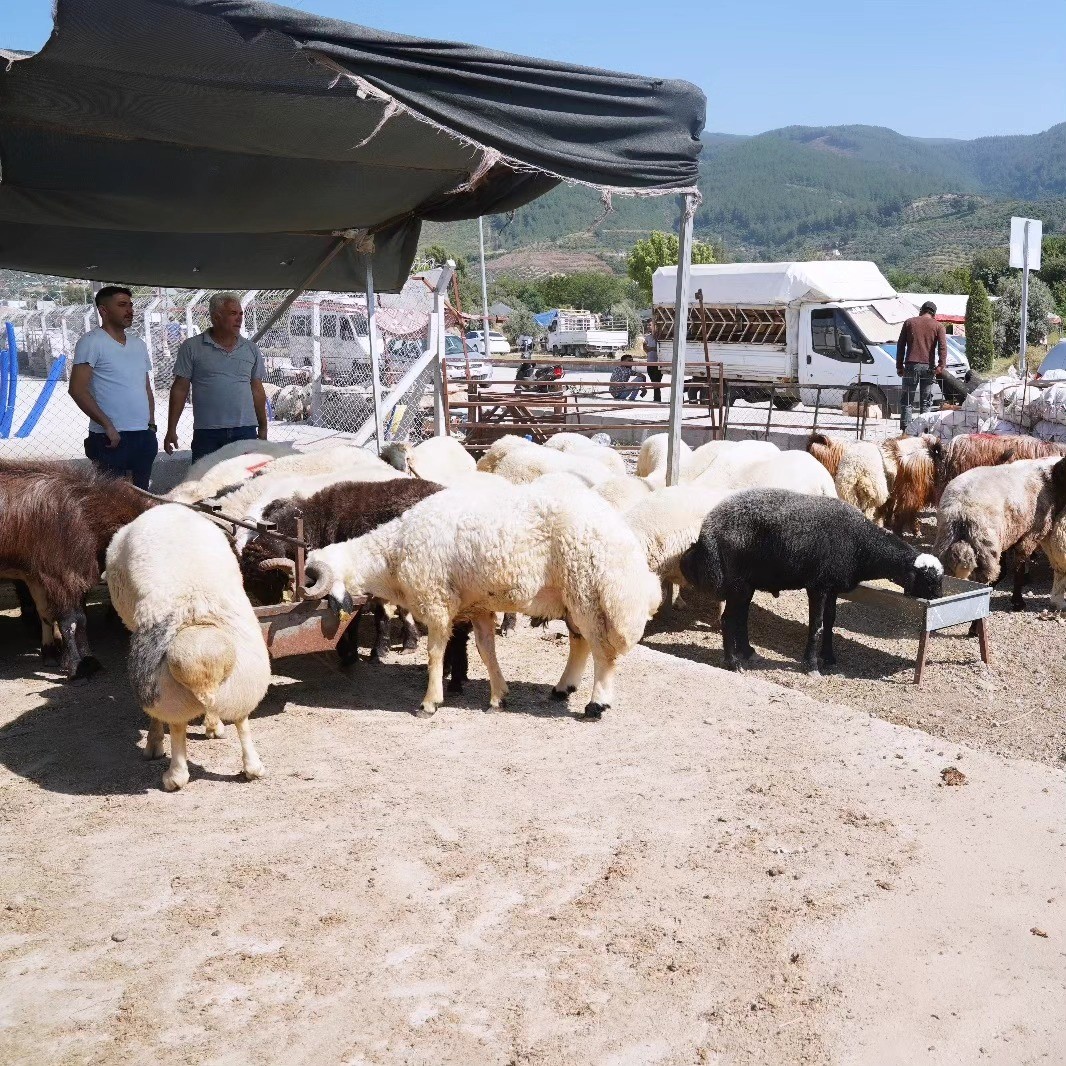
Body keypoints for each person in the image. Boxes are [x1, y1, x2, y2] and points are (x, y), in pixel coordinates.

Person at [69, 286, 158, 490]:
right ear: (103, 311)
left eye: (130, 305)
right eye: (122, 305)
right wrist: (107, 426)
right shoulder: (91, 342)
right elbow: (77, 389)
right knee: (111, 502)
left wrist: (151, 426)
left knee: (142, 496)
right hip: (110, 438)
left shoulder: (138, 344)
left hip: (143, 435)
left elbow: (145, 387)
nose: (129, 310)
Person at [164, 292, 269, 462]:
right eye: (233, 314)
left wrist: (263, 426)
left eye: (241, 314)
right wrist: (171, 429)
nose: (239, 319)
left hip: (245, 430)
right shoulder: (191, 347)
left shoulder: (251, 349)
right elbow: (180, 389)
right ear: (216, 317)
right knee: (203, 483)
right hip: (207, 433)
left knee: (244, 484)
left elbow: (257, 389)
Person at [896, 300, 947, 430]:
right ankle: (924, 430)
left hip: (911, 365)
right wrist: (941, 366)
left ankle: (906, 431)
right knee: (926, 401)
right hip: (929, 367)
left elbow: (901, 345)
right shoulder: (938, 326)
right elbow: (942, 347)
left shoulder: (909, 323)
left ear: (921, 310)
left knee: (907, 400)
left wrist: (899, 366)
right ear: (934, 314)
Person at [643, 323, 663, 403]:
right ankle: (657, 398)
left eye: (650, 325)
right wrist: (649, 349)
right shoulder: (648, 337)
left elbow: (661, 348)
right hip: (650, 362)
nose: (648, 326)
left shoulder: (660, 337)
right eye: (647, 325)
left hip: (658, 362)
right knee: (653, 381)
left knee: (657, 381)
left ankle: (657, 398)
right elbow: (644, 347)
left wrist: (652, 348)